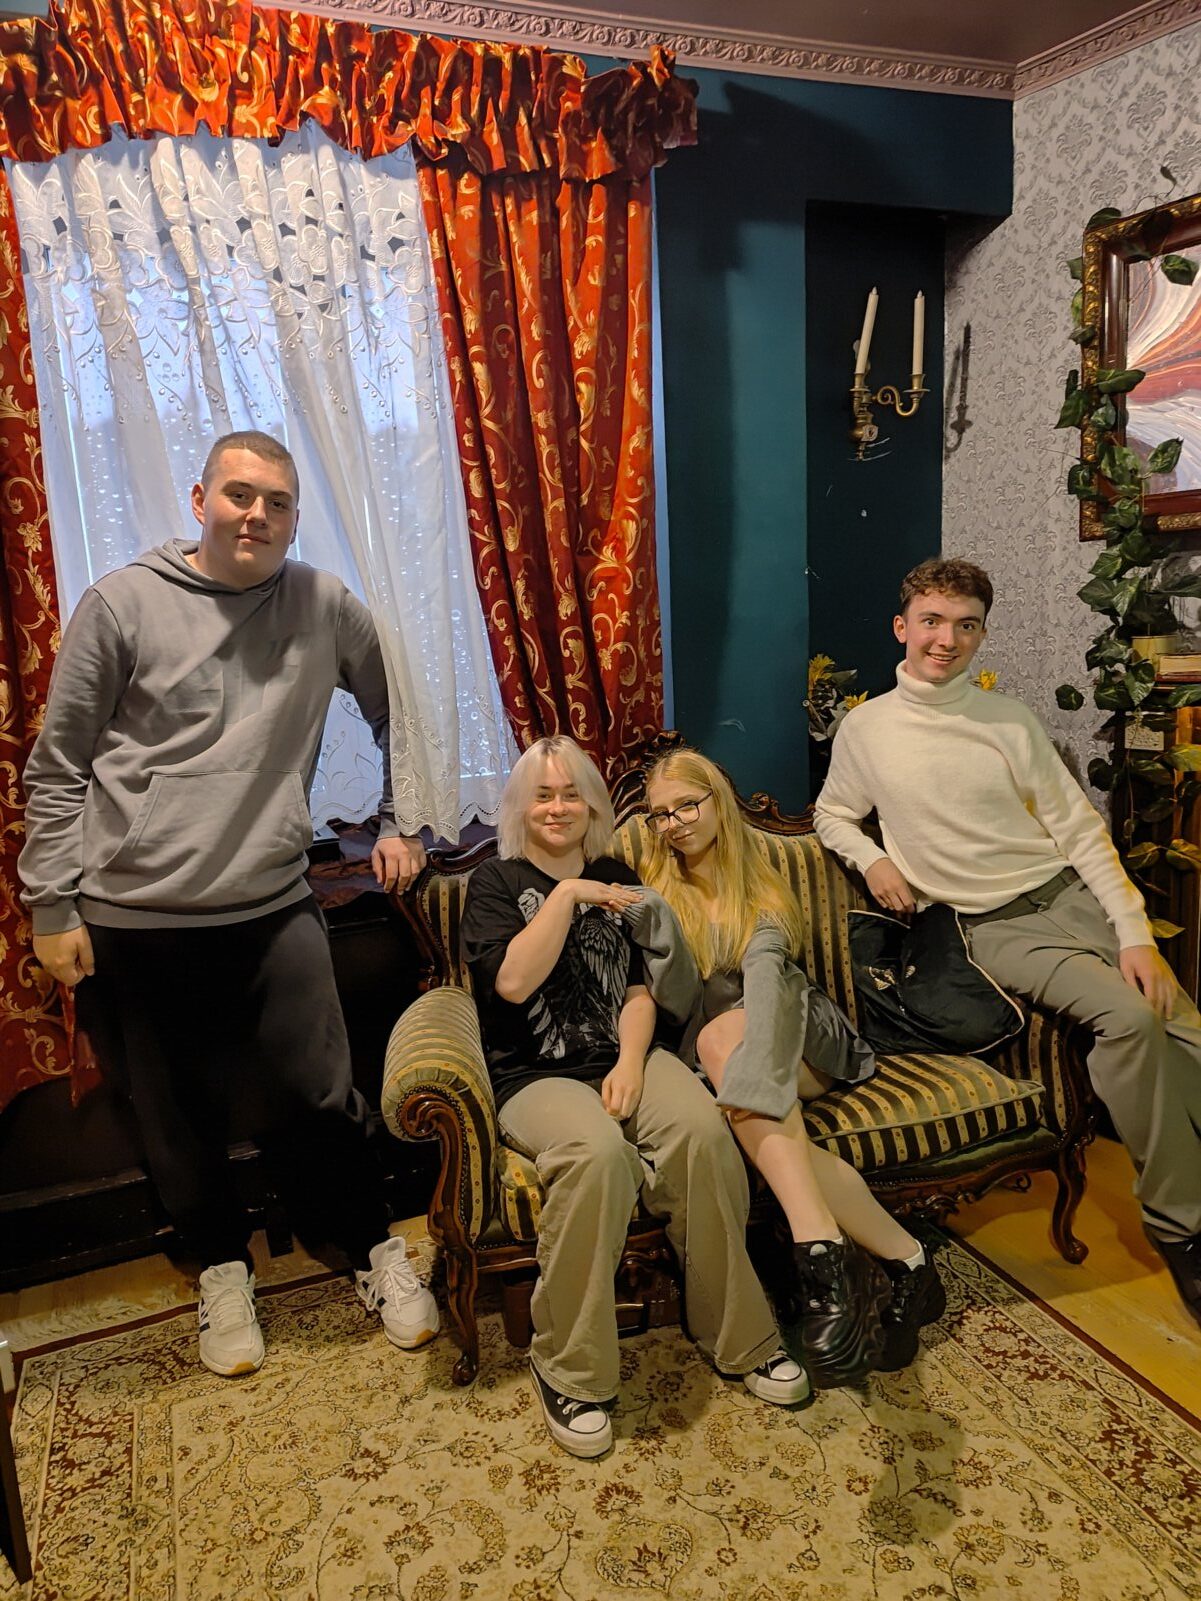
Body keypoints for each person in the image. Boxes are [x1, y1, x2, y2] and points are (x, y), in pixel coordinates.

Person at [19, 430, 440, 1375]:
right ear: (201, 498)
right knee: (174, 1115)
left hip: (272, 900)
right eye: (239, 495)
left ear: (294, 517)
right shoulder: (121, 604)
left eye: (277, 503)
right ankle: (219, 1267)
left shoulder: (324, 604)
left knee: (320, 1096)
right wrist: (52, 906)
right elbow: (57, 768)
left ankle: (369, 1245)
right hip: (136, 914)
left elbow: (399, 714)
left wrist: (399, 820)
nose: (256, 515)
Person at [814, 556, 1201, 1330]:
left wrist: (1132, 933)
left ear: (981, 635)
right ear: (901, 626)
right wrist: (873, 857)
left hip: (1067, 896)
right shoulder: (866, 729)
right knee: (1129, 1020)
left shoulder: (1007, 721)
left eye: (964, 626)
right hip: (989, 926)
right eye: (931, 621)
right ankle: (1179, 1228)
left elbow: (1079, 833)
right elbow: (831, 813)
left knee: (1185, 1033)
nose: (945, 639)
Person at [460, 734, 809, 1459]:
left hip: (624, 1055)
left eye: (572, 794)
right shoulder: (494, 882)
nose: (558, 807)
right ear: (521, 805)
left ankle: (741, 1335)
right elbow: (513, 983)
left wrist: (628, 1061)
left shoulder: (619, 874)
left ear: (592, 804)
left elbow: (639, 989)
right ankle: (569, 1368)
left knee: (702, 1133)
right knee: (596, 1154)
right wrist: (567, 895)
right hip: (534, 1077)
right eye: (543, 794)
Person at [640, 749, 944, 1387]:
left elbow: (769, 991)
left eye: (686, 806)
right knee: (768, 1118)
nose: (674, 824)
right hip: (723, 1053)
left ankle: (819, 1252)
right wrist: (660, 934)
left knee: (726, 1033)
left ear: (717, 803)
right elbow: (676, 1004)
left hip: (800, 1036)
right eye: (660, 814)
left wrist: (748, 1082)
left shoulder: (763, 886)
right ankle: (910, 1262)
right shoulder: (656, 887)